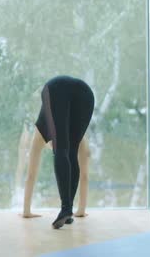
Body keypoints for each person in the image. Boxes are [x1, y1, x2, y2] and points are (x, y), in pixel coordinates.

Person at [21, 76, 94, 229]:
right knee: (69, 152)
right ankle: (68, 211)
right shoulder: (81, 140)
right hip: (86, 93)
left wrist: (26, 211)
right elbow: (85, 176)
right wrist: (81, 210)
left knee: (62, 150)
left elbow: (30, 175)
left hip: (55, 87)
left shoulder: (39, 135)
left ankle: (66, 209)